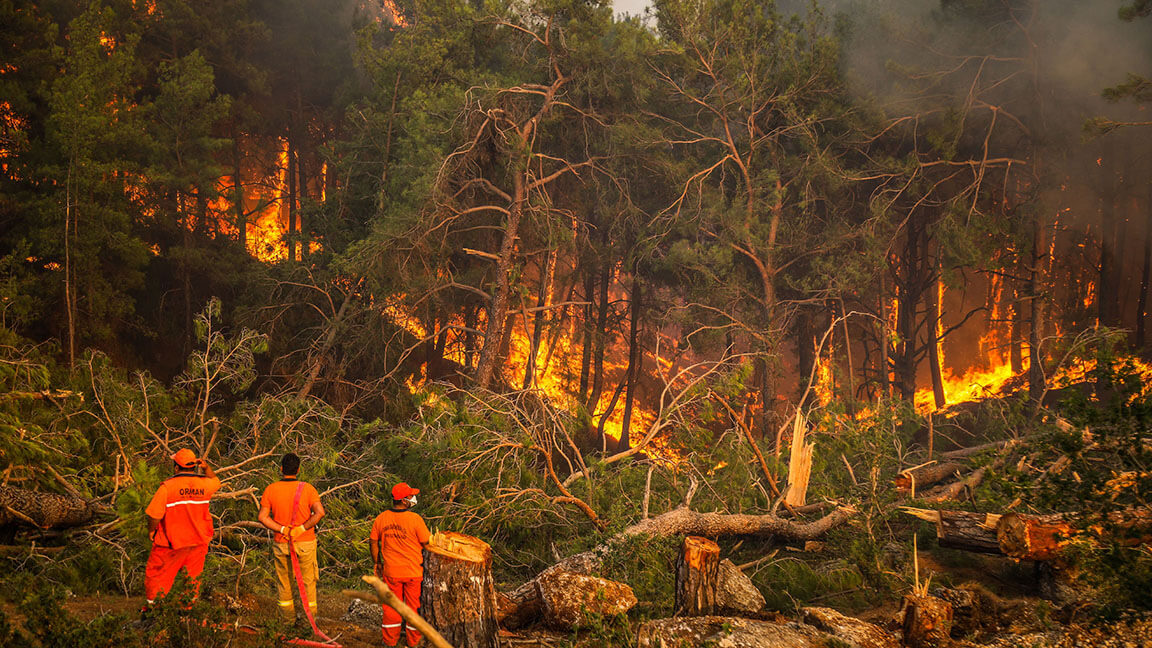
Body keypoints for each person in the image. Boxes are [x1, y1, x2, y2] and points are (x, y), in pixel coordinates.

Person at [144, 448, 221, 607]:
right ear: (194, 467)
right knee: (192, 582)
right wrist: (206, 468)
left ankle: (153, 613)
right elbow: (216, 481)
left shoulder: (167, 487)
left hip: (171, 545)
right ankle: (186, 613)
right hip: (197, 543)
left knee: (156, 577)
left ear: (176, 468)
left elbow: (154, 515)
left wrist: (152, 530)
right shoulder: (204, 485)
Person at [258, 452, 325, 624]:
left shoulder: (271, 490)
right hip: (305, 542)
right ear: (298, 469)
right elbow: (319, 513)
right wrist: (301, 528)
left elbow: (263, 517)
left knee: (284, 584)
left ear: (281, 469)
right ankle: (309, 623)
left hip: (281, 543)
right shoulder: (308, 489)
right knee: (308, 583)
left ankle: (287, 622)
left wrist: (282, 529)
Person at [370, 482, 431, 648]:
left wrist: (377, 563)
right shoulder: (415, 519)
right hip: (414, 572)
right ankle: (414, 642)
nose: (414, 498)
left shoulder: (381, 518)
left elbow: (373, 542)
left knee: (391, 609)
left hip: (391, 572)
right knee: (414, 608)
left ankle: (389, 642)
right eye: (411, 496)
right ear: (404, 500)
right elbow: (427, 543)